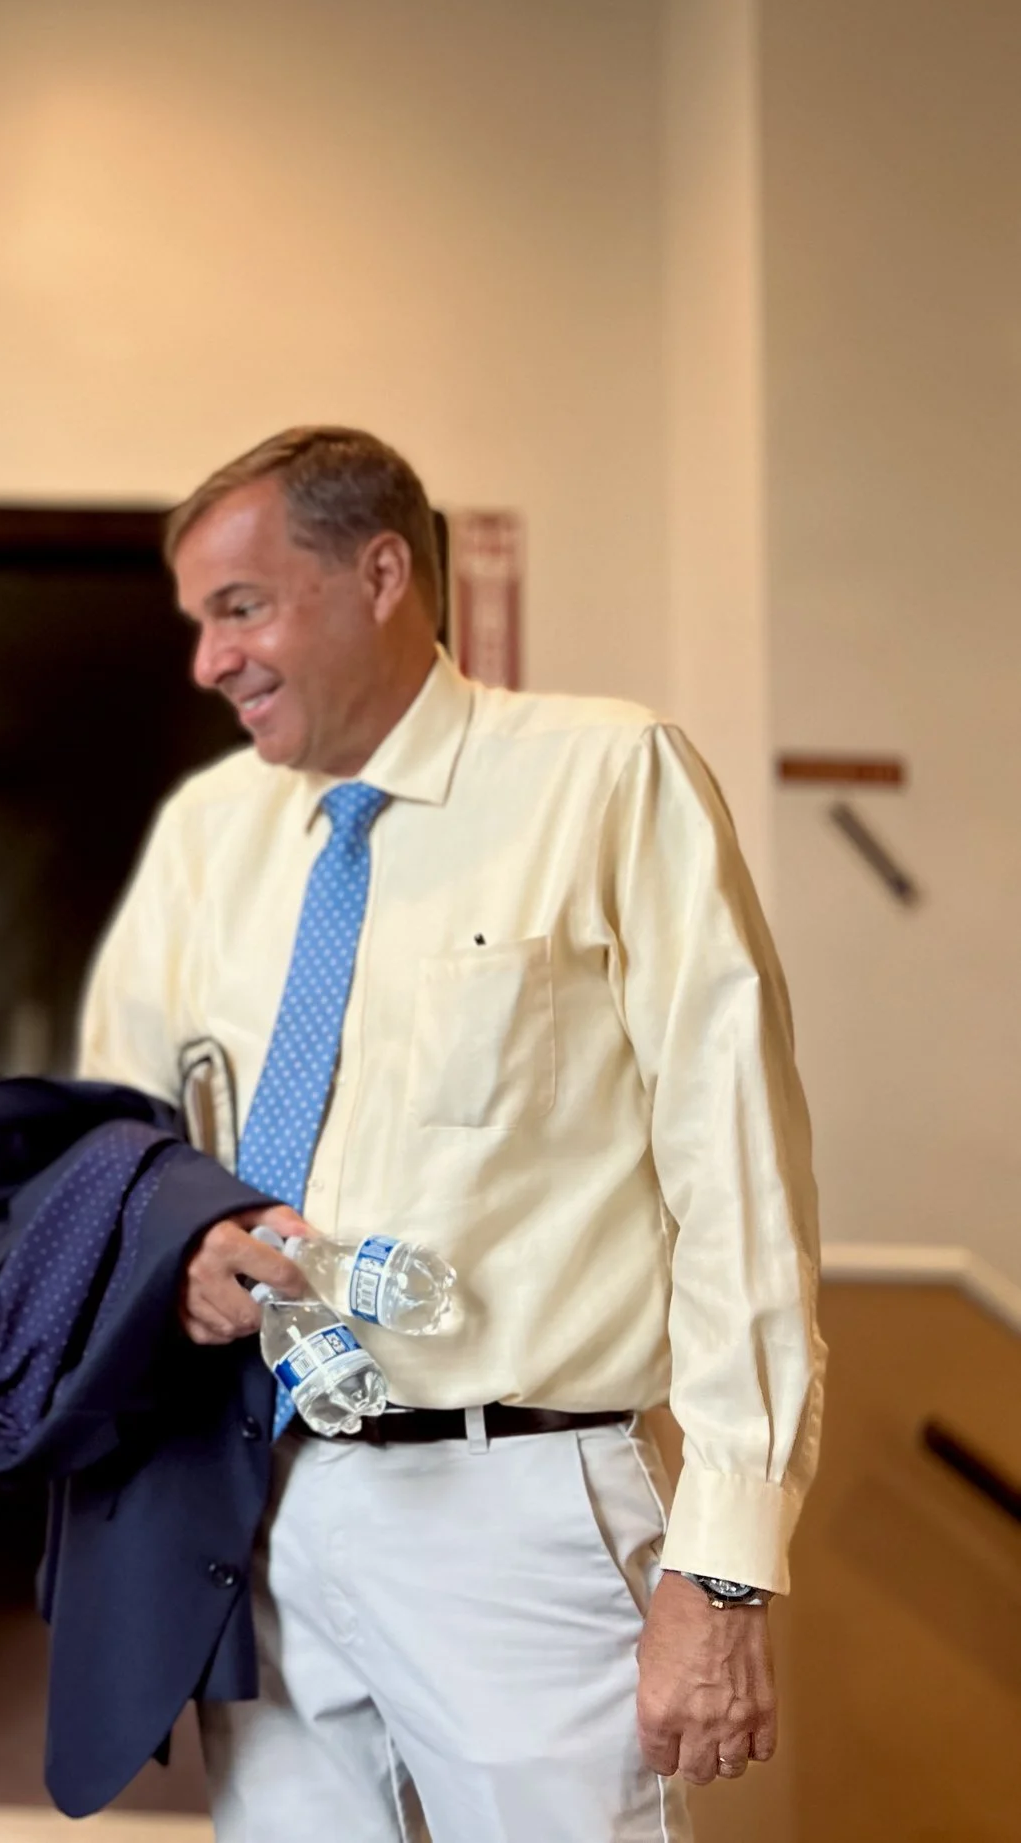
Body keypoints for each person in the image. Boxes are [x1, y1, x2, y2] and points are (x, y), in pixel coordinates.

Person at [78, 427, 822, 1842]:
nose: (208, 659)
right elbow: (118, 1143)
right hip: (258, 1496)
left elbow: (742, 1180)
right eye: (197, 622)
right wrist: (171, 1262)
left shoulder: (610, 776)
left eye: (239, 607)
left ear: (379, 574)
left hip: (522, 1506)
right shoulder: (203, 834)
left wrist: (721, 1567)